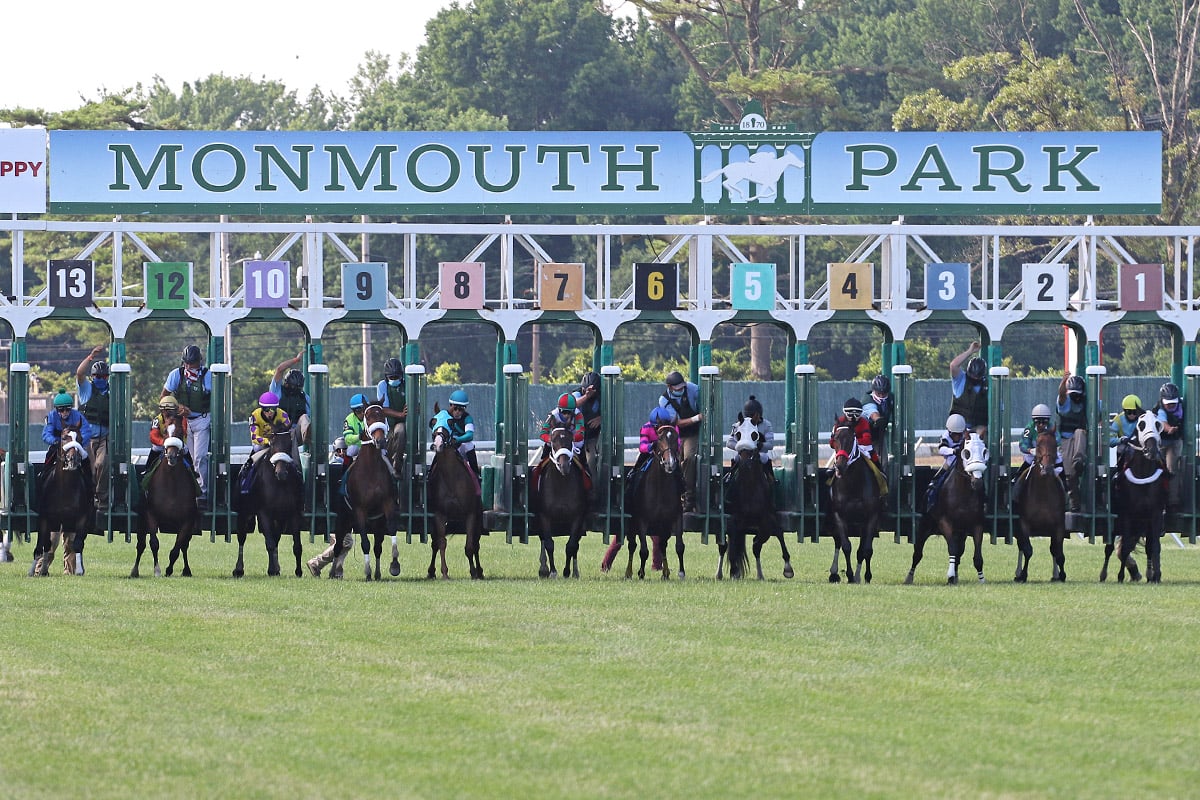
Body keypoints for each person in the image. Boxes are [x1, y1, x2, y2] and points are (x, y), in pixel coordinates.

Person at [602, 405, 679, 574]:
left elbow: (677, 443)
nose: (660, 428)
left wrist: (669, 448)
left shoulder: (673, 428)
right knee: (635, 472)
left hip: (667, 456)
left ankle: (683, 493)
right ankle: (630, 492)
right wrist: (654, 446)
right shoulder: (646, 427)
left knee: (678, 472)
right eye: (657, 427)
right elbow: (643, 447)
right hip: (649, 455)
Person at [162, 344, 212, 501]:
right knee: (188, 457)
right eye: (186, 362)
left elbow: (219, 399)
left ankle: (203, 493)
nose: (189, 366)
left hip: (203, 419)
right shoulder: (176, 374)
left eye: (192, 363)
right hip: (183, 422)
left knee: (200, 457)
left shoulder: (207, 375)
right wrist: (178, 408)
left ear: (199, 361)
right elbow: (163, 398)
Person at [307, 437, 353, 579]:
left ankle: (336, 572)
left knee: (344, 542)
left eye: (345, 450)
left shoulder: (350, 465)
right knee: (346, 542)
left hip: (345, 509)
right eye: (340, 450)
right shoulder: (332, 465)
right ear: (335, 450)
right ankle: (316, 563)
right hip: (334, 509)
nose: (342, 453)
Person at [39, 390, 93, 510]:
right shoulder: (52, 416)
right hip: (58, 445)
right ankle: (43, 480)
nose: (65, 412)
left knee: (87, 465)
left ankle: (91, 490)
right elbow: (46, 434)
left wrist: (78, 443)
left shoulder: (78, 416)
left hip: (76, 446)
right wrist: (57, 441)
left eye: (67, 409)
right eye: (61, 410)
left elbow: (87, 432)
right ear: (56, 409)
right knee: (47, 465)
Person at [659, 370, 703, 511]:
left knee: (689, 458)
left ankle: (689, 497)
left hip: (692, 434)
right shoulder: (664, 400)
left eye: (682, 387)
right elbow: (677, 422)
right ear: (670, 387)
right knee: (674, 461)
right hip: (675, 434)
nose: (681, 390)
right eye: (678, 388)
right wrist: (696, 418)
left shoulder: (693, 389)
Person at [75, 345, 110, 513]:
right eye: (97, 376)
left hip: (105, 438)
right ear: (93, 376)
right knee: (90, 469)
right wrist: (90, 357)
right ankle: (88, 497)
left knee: (102, 464)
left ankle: (102, 498)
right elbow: (79, 373)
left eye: (103, 376)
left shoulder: (112, 391)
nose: (100, 378)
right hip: (87, 438)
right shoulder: (87, 389)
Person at [829, 397, 888, 496]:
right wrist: (843, 443)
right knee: (834, 468)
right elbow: (831, 442)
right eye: (850, 414)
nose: (853, 417)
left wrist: (853, 442)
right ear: (844, 413)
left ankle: (881, 481)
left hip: (863, 448)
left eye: (857, 414)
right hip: (844, 449)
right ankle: (830, 490)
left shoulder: (863, 422)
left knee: (875, 462)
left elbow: (867, 440)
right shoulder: (839, 421)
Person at [1011, 404, 1062, 510]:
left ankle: (1066, 490)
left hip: (1048, 455)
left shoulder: (1052, 428)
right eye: (1038, 422)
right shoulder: (1029, 429)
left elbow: (1058, 440)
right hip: (1032, 455)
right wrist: (1030, 450)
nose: (1041, 424)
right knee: (1021, 474)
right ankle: (1015, 495)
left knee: (1061, 464)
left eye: (1044, 421)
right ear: (1034, 421)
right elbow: (1022, 444)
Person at [922, 413, 969, 513]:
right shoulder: (945, 436)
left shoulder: (967, 435)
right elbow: (941, 449)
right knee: (934, 483)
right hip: (949, 463)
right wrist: (953, 451)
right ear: (949, 431)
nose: (957, 437)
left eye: (959, 434)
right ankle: (931, 503)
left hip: (965, 464)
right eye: (954, 434)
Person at [1056, 373, 1087, 511]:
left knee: (1080, 432)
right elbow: (1062, 396)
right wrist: (1063, 382)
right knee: (1070, 474)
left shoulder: (1086, 402)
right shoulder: (1065, 401)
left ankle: (1078, 460)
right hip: (1065, 439)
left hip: (1079, 440)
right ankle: (1074, 501)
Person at [270, 354, 310, 454]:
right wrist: (296, 360)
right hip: (278, 432)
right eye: (291, 386)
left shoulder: (305, 398)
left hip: (295, 434)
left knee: (305, 417)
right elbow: (279, 369)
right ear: (286, 383)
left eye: (297, 388)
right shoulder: (276, 392)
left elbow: (310, 418)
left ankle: (309, 440)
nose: (294, 390)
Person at [727, 396, 774, 479]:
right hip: (743, 453)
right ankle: (730, 477)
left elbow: (770, 444)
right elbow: (729, 442)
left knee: (764, 458)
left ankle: (771, 478)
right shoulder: (738, 425)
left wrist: (760, 445)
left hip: (759, 453)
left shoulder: (766, 425)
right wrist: (741, 446)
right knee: (736, 458)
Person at [1155, 382, 1185, 508]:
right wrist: (1169, 429)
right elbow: (1163, 422)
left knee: (1171, 468)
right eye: (1169, 403)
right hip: (1161, 442)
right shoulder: (1160, 409)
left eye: (1173, 402)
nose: (1171, 405)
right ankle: (1156, 498)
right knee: (1157, 469)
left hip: (1174, 442)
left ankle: (1173, 500)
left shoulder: (1182, 406)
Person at [949, 341, 989, 436]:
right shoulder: (960, 379)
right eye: (972, 376)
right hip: (959, 429)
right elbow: (953, 365)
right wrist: (970, 351)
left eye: (977, 377)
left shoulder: (987, 385)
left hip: (978, 429)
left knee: (982, 430)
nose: (974, 378)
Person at [375, 356, 408, 461]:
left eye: (396, 377)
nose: (394, 380)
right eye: (391, 378)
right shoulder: (382, 385)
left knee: (401, 430)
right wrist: (401, 414)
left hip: (404, 424)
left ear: (401, 376)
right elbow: (383, 409)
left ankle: (397, 465)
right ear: (386, 377)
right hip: (387, 424)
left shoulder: (407, 384)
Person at [441, 389, 480, 479]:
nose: (458, 412)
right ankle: (430, 473)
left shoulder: (467, 418)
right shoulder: (444, 416)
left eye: (461, 409)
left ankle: (475, 474)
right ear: (450, 406)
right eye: (455, 408)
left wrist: (457, 439)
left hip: (459, 447)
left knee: (469, 445)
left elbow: (470, 435)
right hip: (447, 446)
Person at [539, 392, 586, 464]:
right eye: (564, 412)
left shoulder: (578, 415)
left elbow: (581, 434)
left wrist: (570, 438)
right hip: (556, 438)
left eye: (569, 412)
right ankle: (540, 465)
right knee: (548, 444)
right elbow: (543, 433)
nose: (566, 415)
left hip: (572, 436)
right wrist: (551, 439)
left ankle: (585, 466)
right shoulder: (553, 415)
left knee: (580, 443)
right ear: (559, 409)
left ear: (574, 410)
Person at [861, 374, 894, 468]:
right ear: (874, 391)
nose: (881, 396)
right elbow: (872, 412)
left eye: (884, 394)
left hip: (878, 437)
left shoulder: (890, 399)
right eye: (879, 393)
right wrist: (878, 419)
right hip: (863, 437)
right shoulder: (867, 400)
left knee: (883, 463)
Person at [573, 371, 602, 468]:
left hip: (592, 437)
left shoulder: (601, 397)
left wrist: (601, 419)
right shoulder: (577, 394)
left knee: (591, 463)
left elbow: (610, 410)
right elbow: (574, 404)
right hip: (574, 437)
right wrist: (586, 396)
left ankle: (592, 482)